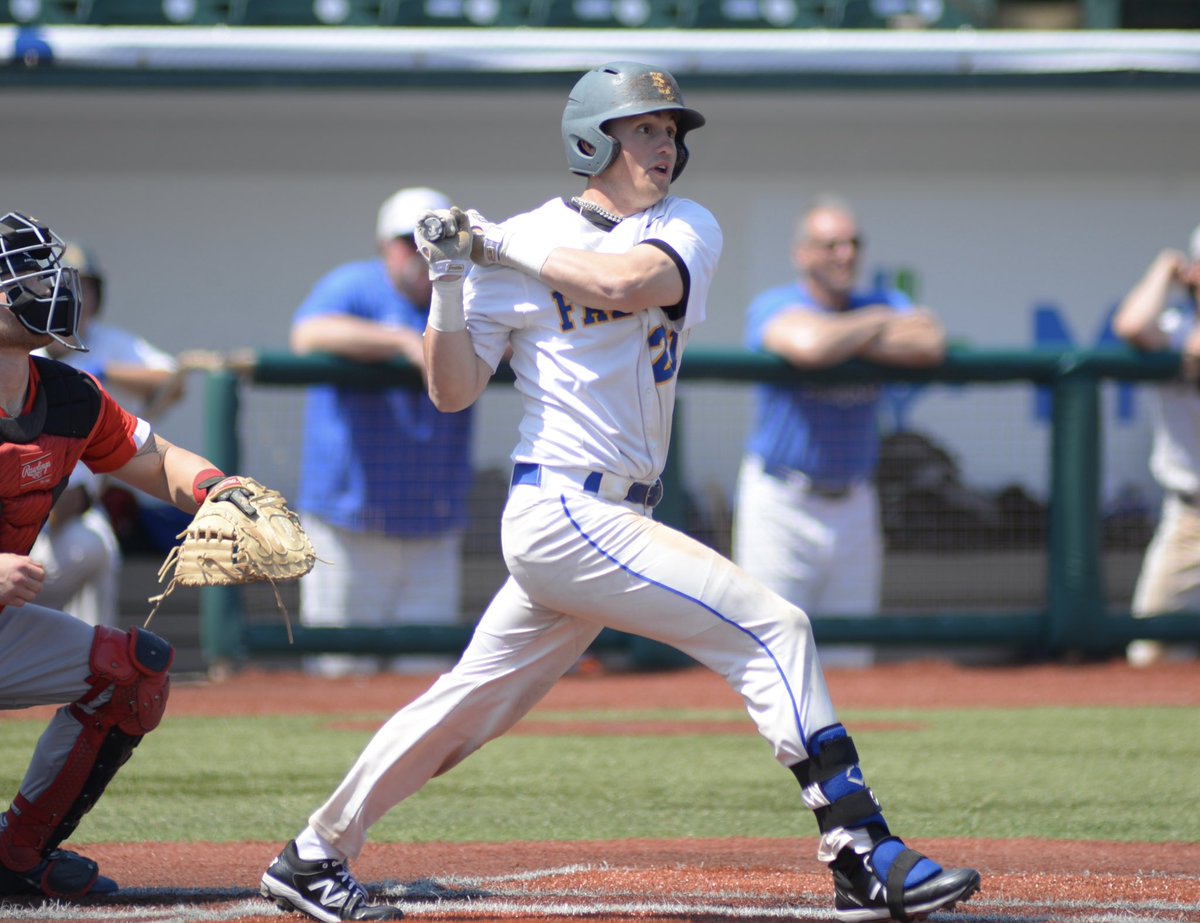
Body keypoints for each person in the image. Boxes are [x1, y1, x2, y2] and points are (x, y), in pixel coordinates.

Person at [259, 62, 979, 923]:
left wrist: (488, 243)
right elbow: (451, 389)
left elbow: (622, 284)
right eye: (645, 128)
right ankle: (863, 852)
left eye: (671, 131)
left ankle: (312, 855)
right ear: (593, 139)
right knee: (773, 627)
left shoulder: (681, 225)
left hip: (608, 516)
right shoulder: (511, 245)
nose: (666, 144)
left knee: (463, 709)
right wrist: (450, 282)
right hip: (564, 507)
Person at [0, 210, 247, 899]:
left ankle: (17, 853)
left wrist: (221, 492)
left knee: (132, 673)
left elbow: (154, 458)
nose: (42, 284)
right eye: (19, 272)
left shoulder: (69, 395)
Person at [732, 196, 946, 669]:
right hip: (782, 499)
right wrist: (878, 326)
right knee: (770, 652)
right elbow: (809, 346)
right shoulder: (778, 303)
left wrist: (847, 335)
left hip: (853, 501)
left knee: (851, 656)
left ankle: (839, 747)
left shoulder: (879, 300)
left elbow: (930, 340)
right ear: (802, 254)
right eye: (830, 245)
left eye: (852, 244)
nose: (844, 255)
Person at [289, 186, 474, 677]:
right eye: (406, 241)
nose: (420, 252)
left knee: (425, 676)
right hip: (348, 523)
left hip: (431, 523)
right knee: (341, 671)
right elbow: (307, 335)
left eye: (434, 238)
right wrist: (398, 342)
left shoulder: (464, 291)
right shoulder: (354, 286)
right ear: (383, 247)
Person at [1112, 223, 1200, 668]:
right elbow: (1130, 325)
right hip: (1190, 519)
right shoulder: (1175, 325)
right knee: (1151, 658)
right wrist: (1164, 269)